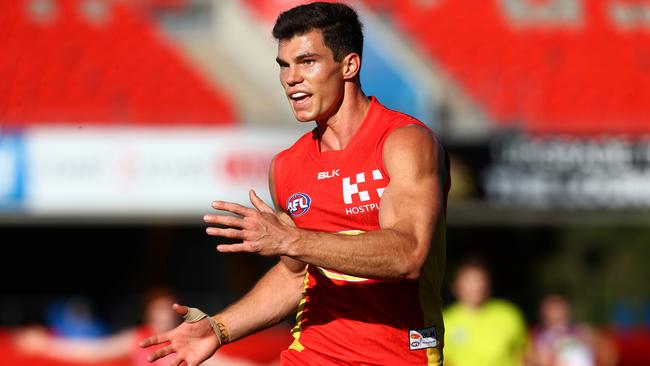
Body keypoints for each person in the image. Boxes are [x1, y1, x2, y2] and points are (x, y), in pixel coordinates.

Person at [140, 2, 450, 365]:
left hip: (397, 355)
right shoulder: (287, 166)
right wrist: (219, 328)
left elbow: (408, 253)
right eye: (284, 66)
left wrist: (292, 239)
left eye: (307, 62)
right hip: (312, 353)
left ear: (349, 65)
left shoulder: (404, 142)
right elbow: (294, 275)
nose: (291, 78)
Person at [442, 258, 527, 366]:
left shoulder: (509, 314)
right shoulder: (443, 320)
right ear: (455, 286)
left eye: (480, 279)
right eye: (469, 280)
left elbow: (525, 353)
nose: (476, 286)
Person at [527, 294, 617, 366]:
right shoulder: (537, 337)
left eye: (558, 307)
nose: (555, 312)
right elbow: (531, 360)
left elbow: (608, 352)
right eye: (551, 308)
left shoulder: (582, 332)